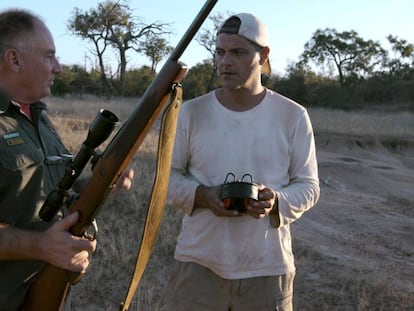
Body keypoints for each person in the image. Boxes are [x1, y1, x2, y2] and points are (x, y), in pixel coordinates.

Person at [165, 12, 320, 311]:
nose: (225, 62)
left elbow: (309, 185)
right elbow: (166, 179)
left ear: (263, 56)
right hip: (198, 264)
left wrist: (276, 202)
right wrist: (202, 196)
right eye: (220, 52)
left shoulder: (293, 115)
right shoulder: (191, 113)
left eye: (238, 52)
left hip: (266, 269)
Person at [0, 9, 134, 310]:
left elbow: (49, 194)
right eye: (49, 56)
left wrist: (101, 182)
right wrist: (40, 246)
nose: (58, 68)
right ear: (15, 59)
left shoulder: (38, 118)